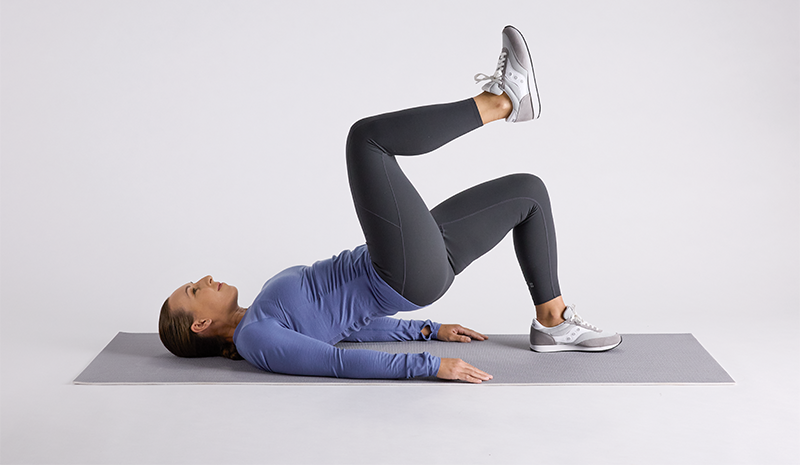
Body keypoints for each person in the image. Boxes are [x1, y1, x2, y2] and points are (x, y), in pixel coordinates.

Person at [158, 26, 622, 383]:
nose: (204, 280)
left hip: (407, 265)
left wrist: (427, 331)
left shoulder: (260, 311)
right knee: (366, 140)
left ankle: (554, 323)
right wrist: (426, 367)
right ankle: (502, 101)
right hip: (398, 271)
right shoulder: (256, 338)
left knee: (528, 192)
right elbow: (333, 361)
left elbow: (344, 330)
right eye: (195, 290)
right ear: (200, 324)